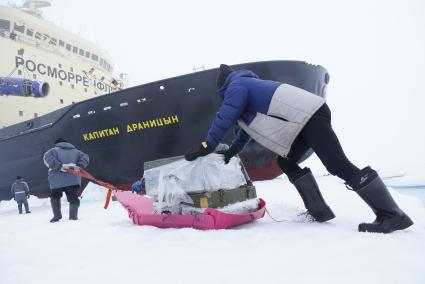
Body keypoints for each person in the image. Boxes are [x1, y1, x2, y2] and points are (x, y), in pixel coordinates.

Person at [185, 64, 413, 233]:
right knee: (285, 161)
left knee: (337, 164)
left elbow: (226, 115)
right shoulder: (246, 90)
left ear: (222, 86)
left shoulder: (238, 84)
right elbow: (246, 129)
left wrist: (208, 145)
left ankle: (392, 215)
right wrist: (234, 150)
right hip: (305, 120)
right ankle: (319, 211)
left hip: (309, 117)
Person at [43, 138, 89, 222]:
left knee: (55, 196)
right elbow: (85, 157)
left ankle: (57, 216)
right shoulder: (77, 152)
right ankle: (73, 216)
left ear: (57, 144)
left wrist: (59, 167)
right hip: (73, 178)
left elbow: (47, 158)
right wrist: (79, 166)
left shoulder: (52, 151)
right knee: (73, 197)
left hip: (57, 180)